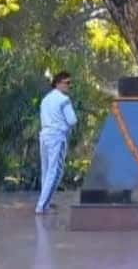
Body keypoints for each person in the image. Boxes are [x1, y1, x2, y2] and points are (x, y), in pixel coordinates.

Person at [35, 71, 77, 215]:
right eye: (67, 83)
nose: (69, 86)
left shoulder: (45, 99)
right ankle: (42, 206)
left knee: (46, 171)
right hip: (56, 136)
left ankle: (45, 203)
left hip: (44, 134)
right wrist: (66, 127)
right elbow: (72, 120)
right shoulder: (63, 100)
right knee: (55, 171)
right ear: (58, 83)